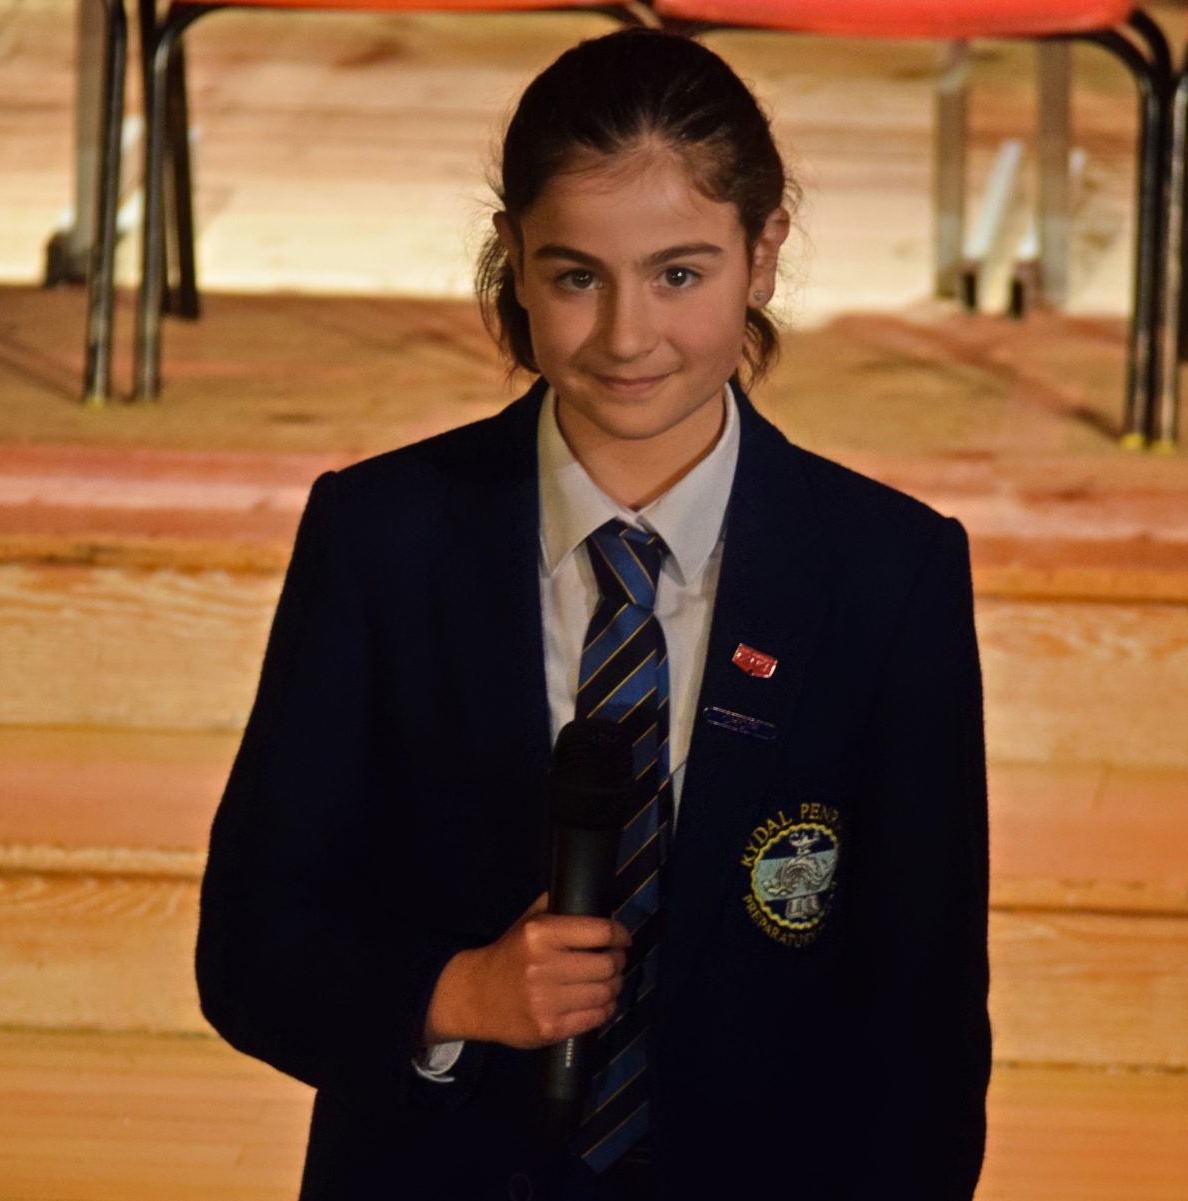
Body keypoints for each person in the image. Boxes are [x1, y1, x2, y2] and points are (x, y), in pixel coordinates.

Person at [196, 26, 990, 1201]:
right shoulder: (380, 536)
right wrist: (453, 994)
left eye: (678, 274)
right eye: (576, 276)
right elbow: (252, 945)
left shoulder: (887, 570)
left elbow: (925, 1020)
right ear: (514, 261)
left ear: (762, 253)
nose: (625, 336)